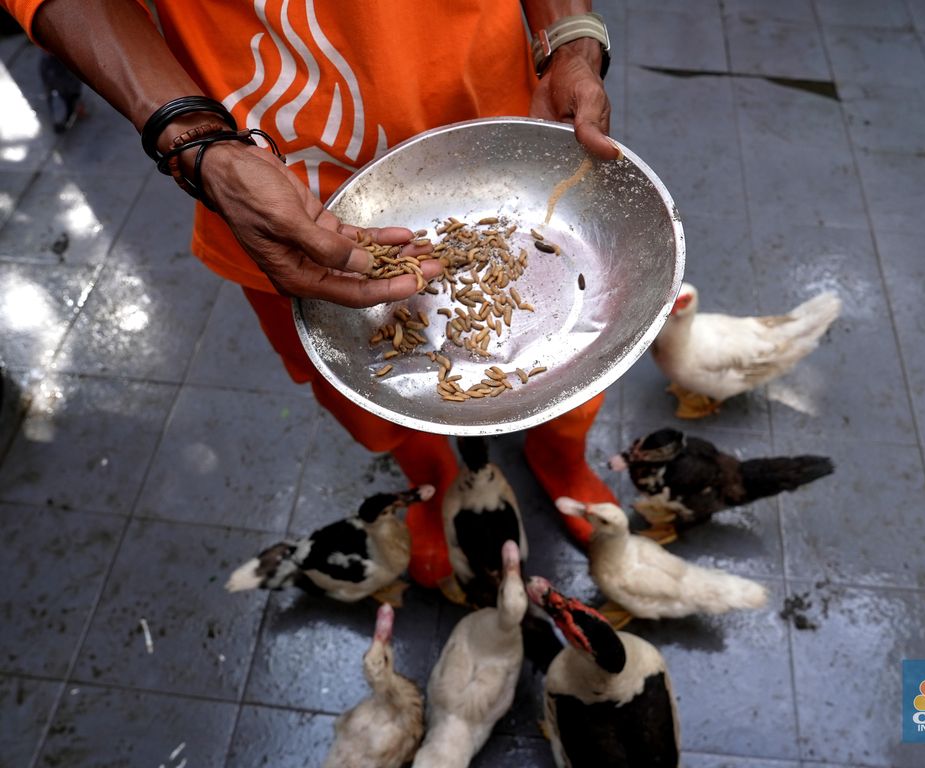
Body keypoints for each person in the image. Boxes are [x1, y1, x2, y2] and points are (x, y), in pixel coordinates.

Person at [3, 0, 621, 588]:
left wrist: (567, 33)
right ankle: (429, 481)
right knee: (366, 388)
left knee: (561, 350)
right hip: (282, 185)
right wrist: (192, 140)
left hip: (497, 133)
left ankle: (562, 455)